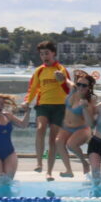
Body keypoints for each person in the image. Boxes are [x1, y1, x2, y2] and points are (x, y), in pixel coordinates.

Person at [24, 41, 70, 174]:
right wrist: (27, 101)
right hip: (43, 105)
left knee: (52, 139)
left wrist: (61, 81)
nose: (44, 56)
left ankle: (49, 171)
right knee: (40, 128)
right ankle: (39, 163)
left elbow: (68, 90)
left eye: (47, 53)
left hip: (59, 107)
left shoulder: (61, 69)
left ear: (53, 53)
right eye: (42, 54)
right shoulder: (39, 71)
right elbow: (32, 89)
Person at [51, 70, 95, 180]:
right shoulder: (73, 89)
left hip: (81, 128)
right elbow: (66, 80)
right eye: (79, 84)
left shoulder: (88, 101)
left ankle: (84, 163)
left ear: (89, 87)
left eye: (84, 85)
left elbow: (91, 123)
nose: (80, 87)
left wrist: (84, 107)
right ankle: (69, 170)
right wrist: (60, 75)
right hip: (66, 127)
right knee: (58, 142)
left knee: (71, 145)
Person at [0, 94, 30, 181]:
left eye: (2, 103)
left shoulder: (8, 116)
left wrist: (28, 111)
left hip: (10, 153)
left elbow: (23, 125)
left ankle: (7, 194)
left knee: (8, 180)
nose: (0, 106)